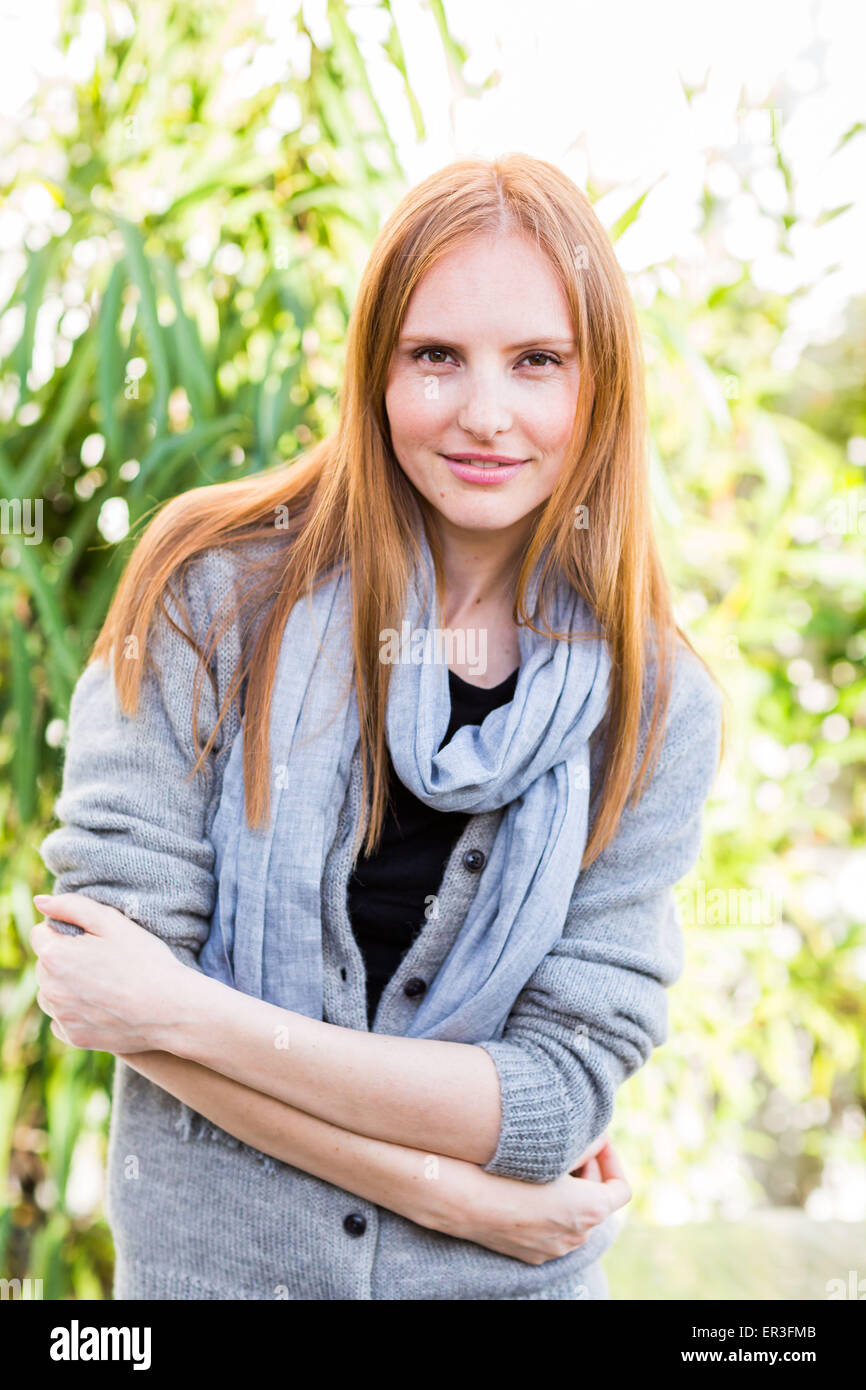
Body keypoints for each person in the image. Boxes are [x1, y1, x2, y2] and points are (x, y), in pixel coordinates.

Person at [32, 153, 722, 1301]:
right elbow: (107, 990)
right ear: (375, 371)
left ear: (594, 390)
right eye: (435, 356)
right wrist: (452, 1193)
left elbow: (550, 1097)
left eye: (536, 361)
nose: (484, 414)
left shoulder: (649, 703)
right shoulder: (207, 595)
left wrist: (190, 1010)